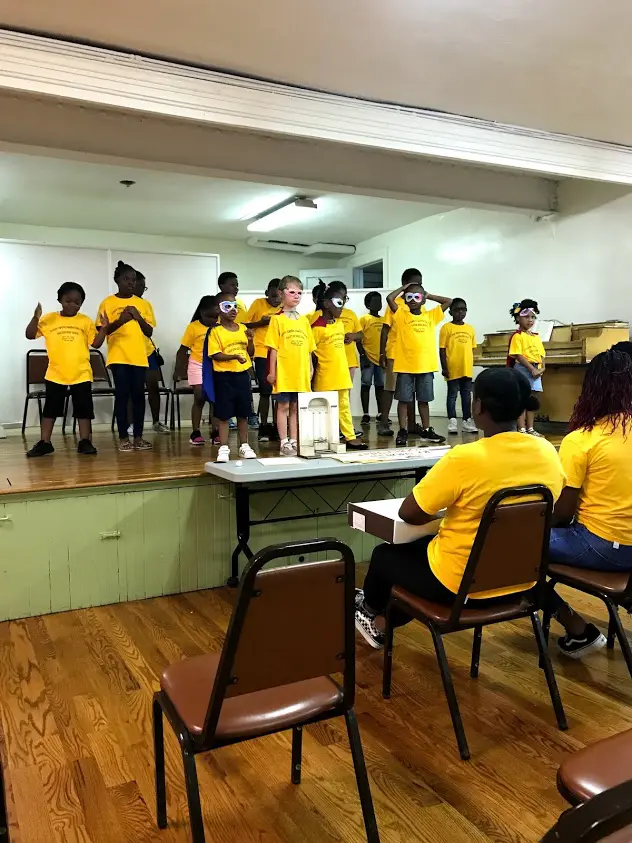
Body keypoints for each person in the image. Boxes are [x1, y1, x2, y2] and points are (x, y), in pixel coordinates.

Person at [354, 368, 565, 648]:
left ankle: (371, 615)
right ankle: (377, 619)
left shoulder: (465, 458)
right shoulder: (548, 452)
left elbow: (409, 513)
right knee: (417, 556)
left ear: (478, 407)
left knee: (384, 557)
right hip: (522, 581)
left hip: (460, 586)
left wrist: (445, 512)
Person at [546, 349, 632, 657]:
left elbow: (563, 512)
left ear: (590, 388)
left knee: (509, 545)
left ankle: (577, 628)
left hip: (604, 546)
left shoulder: (582, 439)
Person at [24, 282, 108, 457]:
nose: (72, 305)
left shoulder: (85, 321)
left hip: (81, 373)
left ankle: (85, 441)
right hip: (56, 374)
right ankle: (45, 442)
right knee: (50, 409)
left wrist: (104, 328)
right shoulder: (48, 319)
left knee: (84, 409)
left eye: (77, 302)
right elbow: (30, 335)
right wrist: (35, 317)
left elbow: (96, 344)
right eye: (68, 301)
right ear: (60, 299)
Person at [386, 274, 451, 446]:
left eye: (417, 297)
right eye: (409, 297)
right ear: (405, 300)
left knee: (424, 400)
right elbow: (389, 298)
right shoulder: (401, 315)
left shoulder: (431, 316)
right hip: (405, 366)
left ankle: (427, 429)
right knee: (404, 399)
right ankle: (403, 429)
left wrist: (428, 295)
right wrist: (405, 287)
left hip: (426, 366)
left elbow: (448, 301)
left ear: (423, 300)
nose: (413, 299)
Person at [96, 261, 154, 452]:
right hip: (118, 357)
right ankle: (123, 437)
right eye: (126, 279)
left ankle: (138, 437)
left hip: (139, 357)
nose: (130, 283)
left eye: (134, 280)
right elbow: (103, 331)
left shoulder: (143, 304)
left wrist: (138, 317)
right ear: (117, 280)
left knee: (138, 397)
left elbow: (149, 332)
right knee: (122, 397)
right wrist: (121, 320)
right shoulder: (107, 302)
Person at [311, 286, 368, 450]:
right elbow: (312, 353)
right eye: (338, 303)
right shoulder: (316, 328)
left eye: (343, 303)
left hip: (342, 374)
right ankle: (325, 438)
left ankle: (350, 436)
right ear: (326, 304)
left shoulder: (339, 325)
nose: (341, 307)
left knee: (344, 407)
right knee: (323, 408)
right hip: (325, 376)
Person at [265, 276, 315, 457]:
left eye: (299, 293)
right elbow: (273, 348)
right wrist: (272, 371)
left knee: (296, 407)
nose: (296, 296)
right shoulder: (277, 320)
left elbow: (309, 348)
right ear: (281, 293)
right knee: (283, 406)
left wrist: (310, 368)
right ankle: (284, 441)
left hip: (300, 371)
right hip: (284, 372)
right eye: (292, 292)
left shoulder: (304, 321)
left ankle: (294, 439)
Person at [207, 292, 257, 463]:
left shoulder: (243, 329)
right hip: (224, 377)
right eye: (227, 306)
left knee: (243, 412)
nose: (233, 310)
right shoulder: (215, 331)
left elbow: (250, 353)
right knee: (224, 414)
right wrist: (234, 357)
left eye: (235, 306)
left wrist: (250, 340)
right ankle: (224, 447)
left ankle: (244, 445)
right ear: (218, 310)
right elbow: (215, 355)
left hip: (242, 376)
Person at [378, 269, 423, 438]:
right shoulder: (395, 304)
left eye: (420, 283)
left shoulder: (420, 304)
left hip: (412, 356)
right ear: (405, 285)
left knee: (410, 391)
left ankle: (411, 425)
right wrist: (381, 353)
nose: (418, 286)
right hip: (395, 354)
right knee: (390, 389)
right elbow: (385, 329)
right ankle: (384, 423)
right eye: (414, 283)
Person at [176, 295, 220, 446]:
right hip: (197, 365)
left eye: (216, 316)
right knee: (199, 397)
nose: (213, 320)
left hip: (215, 365)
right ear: (201, 313)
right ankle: (195, 432)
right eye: (210, 316)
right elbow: (182, 350)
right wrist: (178, 370)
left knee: (215, 399)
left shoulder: (220, 326)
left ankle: (215, 432)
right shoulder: (193, 327)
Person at [218, 270, 258, 430]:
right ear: (221, 286)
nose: (236, 288)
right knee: (225, 391)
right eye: (232, 285)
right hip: (226, 355)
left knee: (246, 385)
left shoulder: (240, 305)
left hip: (242, 350)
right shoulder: (219, 305)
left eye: (237, 285)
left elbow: (245, 325)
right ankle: (229, 417)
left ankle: (249, 414)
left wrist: (249, 337)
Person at [245, 278, 282, 441]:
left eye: (279, 296)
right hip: (261, 352)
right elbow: (243, 324)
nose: (276, 300)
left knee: (280, 391)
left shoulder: (285, 308)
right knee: (265, 390)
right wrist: (260, 322)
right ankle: (264, 426)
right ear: (267, 293)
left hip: (281, 353)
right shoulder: (258, 304)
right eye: (273, 296)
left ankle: (278, 425)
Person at [133, 271, 170, 434]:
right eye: (141, 285)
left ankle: (156, 422)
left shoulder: (146, 305)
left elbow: (150, 329)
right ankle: (131, 423)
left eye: (144, 287)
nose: (142, 289)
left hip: (147, 351)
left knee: (153, 386)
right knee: (132, 390)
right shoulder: (117, 303)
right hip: (128, 354)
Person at [439, 297, 478, 435]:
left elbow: (472, 349)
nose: (460, 312)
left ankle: (467, 420)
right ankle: (452, 421)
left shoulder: (470, 329)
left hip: (466, 368)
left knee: (467, 396)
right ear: (450, 312)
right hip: (452, 368)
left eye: (463, 309)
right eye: (457, 310)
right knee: (452, 395)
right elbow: (442, 349)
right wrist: (444, 367)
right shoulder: (446, 328)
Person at [508, 299, 545, 435]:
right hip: (524, 369)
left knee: (532, 400)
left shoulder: (536, 337)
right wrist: (532, 369)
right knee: (522, 399)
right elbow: (518, 355)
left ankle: (531, 428)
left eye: (533, 317)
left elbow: (541, 355)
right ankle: (522, 428)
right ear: (518, 318)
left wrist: (542, 368)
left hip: (536, 370)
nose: (530, 320)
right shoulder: (517, 336)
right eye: (526, 317)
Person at [359, 291, 385, 425]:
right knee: (366, 385)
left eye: (379, 301)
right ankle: (366, 414)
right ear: (368, 304)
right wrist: (363, 355)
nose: (378, 304)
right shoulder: (364, 319)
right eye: (375, 302)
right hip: (367, 358)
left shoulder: (383, 319)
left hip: (380, 359)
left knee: (380, 386)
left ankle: (381, 413)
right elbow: (358, 338)